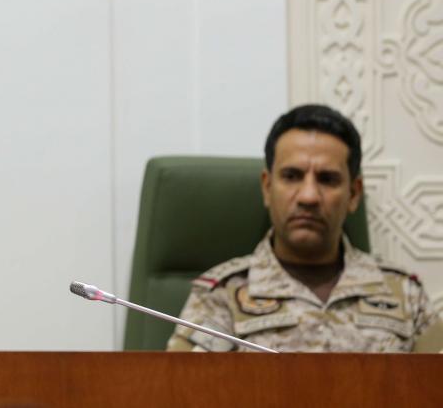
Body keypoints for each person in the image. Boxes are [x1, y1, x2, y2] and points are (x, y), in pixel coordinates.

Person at [167, 104, 443, 352]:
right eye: (292, 176)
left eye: (327, 179)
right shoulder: (220, 297)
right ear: (267, 187)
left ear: (354, 194)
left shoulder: (404, 295)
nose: (308, 196)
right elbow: (180, 395)